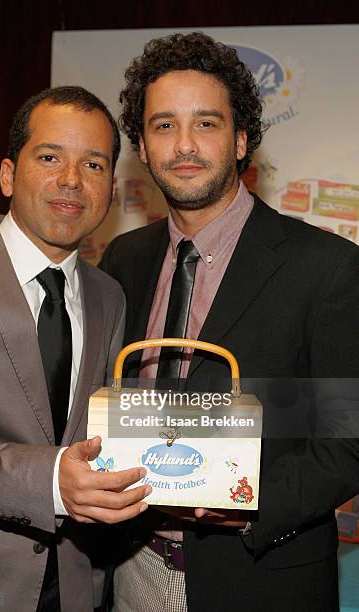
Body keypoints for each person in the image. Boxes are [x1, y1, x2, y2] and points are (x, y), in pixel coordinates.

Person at [99, 33, 359, 611]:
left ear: (242, 139)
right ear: (141, 144)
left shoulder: (325, 267)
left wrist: (248, 503)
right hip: (130, 567)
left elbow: (348, 441)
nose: (184, 145)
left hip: (259, 576)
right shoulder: (123, 259)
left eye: (207, 124)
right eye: (164, 125)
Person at [0, 86, 152, 612]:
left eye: (94, 164)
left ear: (110, 188)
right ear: (8, 173)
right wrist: (48, 481)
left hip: (80, 585)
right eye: (51, 157)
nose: (71, 181)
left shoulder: (109, 297)